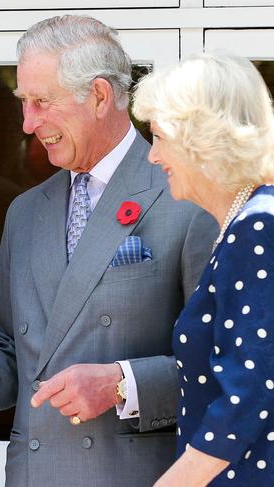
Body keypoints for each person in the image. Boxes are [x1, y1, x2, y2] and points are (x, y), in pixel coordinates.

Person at [0, 15, 217, 486]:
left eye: (42, 102)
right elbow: (13, 352)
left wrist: (121, 384)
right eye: (23, 103)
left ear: (100, 96)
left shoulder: (188, 196)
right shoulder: (25, 211)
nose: (28, 124)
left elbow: (224, 363)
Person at [133, 53, 274, 486]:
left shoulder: (257, 225)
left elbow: (252, 392)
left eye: (159, 137)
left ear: (200, 137)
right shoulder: (246, 220)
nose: (153, 157)